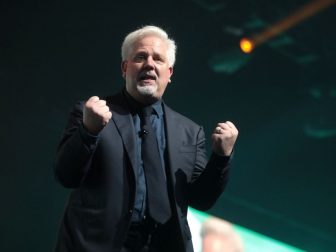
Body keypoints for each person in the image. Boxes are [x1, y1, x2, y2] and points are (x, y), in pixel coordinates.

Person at [54, 25, 238, 252]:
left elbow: (201, 199)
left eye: (158, 59)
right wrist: (88, 131)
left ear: (169, 73)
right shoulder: (92, 112)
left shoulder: (190, 132)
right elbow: (66, 176)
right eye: (140, 57)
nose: (149, 64)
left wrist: (221, 157)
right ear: (125, 68)